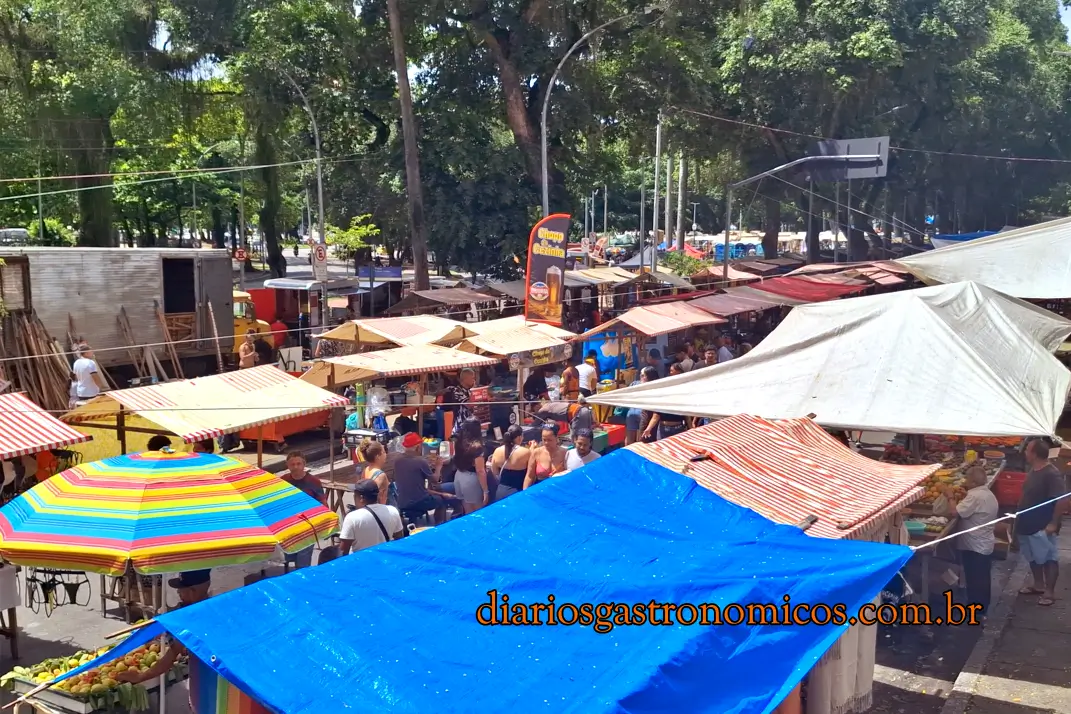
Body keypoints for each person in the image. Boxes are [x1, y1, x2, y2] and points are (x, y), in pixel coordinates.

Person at [116, 570, 212, 711]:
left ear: (194, 591)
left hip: (208, 686)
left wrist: (142, 676)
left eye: (181, 590)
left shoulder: (193, 618)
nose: (179, 593)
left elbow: (171, 655)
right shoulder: (213, 607)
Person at [937, 463, 999, 616]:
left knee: (975, 578)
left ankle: (976, 611)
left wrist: (950, 496)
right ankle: (982, 608)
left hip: (975, 545)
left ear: (974, 483)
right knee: (983, 577)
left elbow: (954, 512)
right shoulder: (988, 494)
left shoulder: (975, 496)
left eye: (967, 480)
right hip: (984, 543)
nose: (964, 482)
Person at [1016, 439, 1067, 606]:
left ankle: (1049, 592)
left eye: (1028, 450)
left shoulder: (1051, 474)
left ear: (1035, 454)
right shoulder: (1034, 469)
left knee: (1048, 557)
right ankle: (1038, 584)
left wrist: (1053, 523)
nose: (1025, 452)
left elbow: (1061, 500)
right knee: (1032, 556)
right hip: (1027, 523)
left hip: (1041, 524)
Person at [280, 451, 327, 569]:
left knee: (303, 564)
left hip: (307, 529)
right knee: (288, 559)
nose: (295, 467)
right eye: (292, 464)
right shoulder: (283, 481)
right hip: (288, 528)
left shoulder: (314, 481)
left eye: (298, 464)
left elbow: (323, 505)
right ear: (287, 465)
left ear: (304, 464)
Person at [394, 432, 453, 525]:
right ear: (417, 447)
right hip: (418, 501)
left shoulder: (397, 461)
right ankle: (439, 525)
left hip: (402, 501)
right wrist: (438, 466)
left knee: (434, 495)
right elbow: (435, 481)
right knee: (441, 501)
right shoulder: (420, 461)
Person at [339, 479, 404, 555]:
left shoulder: (352, 518)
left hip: (362, 564)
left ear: (361, 498)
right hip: (385, 560)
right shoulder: (393, 511)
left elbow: (343, 552)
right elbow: (400, 541)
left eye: (355, 496)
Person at [642, 363, 689, 441]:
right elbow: (656, 414)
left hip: (678, 429)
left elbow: (687, 413)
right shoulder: (663, 396)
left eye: (672, 371)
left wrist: (690, 427)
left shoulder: (683, 393)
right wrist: (648, 428)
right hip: (663, 429)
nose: (671, 373)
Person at [452, 418, 489, 511]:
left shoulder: (458, 440)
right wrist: (486, 491)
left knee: (467, 512)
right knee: (478, 513)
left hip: (459, 476)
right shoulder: (477, 447)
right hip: (470, 481)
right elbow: (480, 471)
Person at [490, 425, 531, 500]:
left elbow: (494, 472)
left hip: (500, 492)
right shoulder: (526, 452)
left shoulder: (497, 451)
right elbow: (531, 473)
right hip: (518, 492)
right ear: (519, 437)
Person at [525, 424, 568, 489]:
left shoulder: (565, 453)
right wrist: (525, 493)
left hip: (559, 489)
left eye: (549, 440)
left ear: (556, 438)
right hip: (540, 490)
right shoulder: (536, 453)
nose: (546, 443)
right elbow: (529, 476)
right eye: (544, 440)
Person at [625, 366, 658, 446]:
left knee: (642, 439)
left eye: (643, 375)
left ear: (650, 376)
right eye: (641, 375)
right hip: (632, 413)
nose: (641, 377)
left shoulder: (654, 387)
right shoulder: (635, 384)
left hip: (644, 416)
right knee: (629, 439)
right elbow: (627, 395)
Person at [442, 368, 476, 435]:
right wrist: (475, 391)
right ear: (466, 379)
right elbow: (469, 405)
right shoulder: (457, 391)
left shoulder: (468, 391)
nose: (474, 381)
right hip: (460, 428)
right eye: (473, 378)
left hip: (470, 426)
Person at [359, 440, 392, 506]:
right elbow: (378, 497)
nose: (386, 454)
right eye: (384, 452)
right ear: (378, 457)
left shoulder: (365, 470)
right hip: (380, 509)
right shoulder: (381, 475)